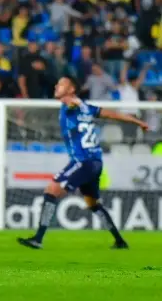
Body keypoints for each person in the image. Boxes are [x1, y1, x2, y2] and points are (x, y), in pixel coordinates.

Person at [18, 76, 148, 250]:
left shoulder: (72, 104)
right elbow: (110, 114)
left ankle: (38, 239)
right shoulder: (87, 108)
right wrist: (135, 121)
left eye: (62, 83)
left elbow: (74, 104)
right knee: (93, 203)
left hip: (83, 161)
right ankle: (119, 241)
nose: (57, 85)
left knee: (51, 190)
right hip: (95, 162)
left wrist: (75, 103)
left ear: (71, 90)